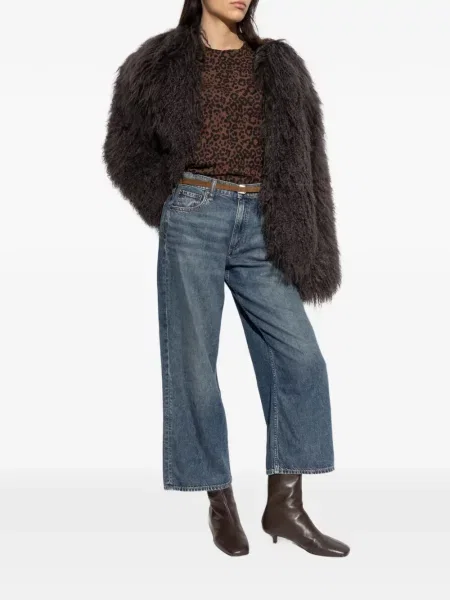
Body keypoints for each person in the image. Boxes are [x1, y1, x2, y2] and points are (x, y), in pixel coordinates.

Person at [102, 0, 349, 558]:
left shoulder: (278, 64)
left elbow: (310, 158)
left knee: (301, 360)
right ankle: (219, 499)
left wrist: (312, 237)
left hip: (265, 222)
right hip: (195, 214)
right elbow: (124, 147)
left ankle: (285, 507)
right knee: (193, 363)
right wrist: (170, 205)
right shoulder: (158, 62)